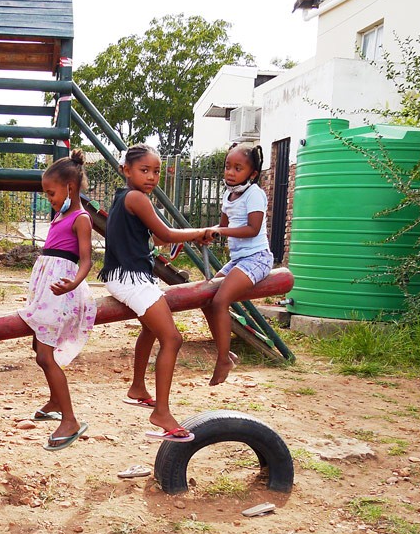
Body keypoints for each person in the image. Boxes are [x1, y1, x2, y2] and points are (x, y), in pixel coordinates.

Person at [99, 143, 217, 442]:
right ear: (126, 170)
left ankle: (138, 388)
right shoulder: (136, 197)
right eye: (144, 170)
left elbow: (154, 238)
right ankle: (161, 412)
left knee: (151, 330)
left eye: (156, 172)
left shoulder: (124, 197)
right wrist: (199, 232)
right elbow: (165, 234)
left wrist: (187, 237)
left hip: (127, 274)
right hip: (130, 277)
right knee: (172, 338)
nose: (151, 177)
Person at [18, 150, 97, 450]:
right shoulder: (60, 215)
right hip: (47, 288)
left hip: (62, 290)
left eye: (51, 192)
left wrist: (73, 284)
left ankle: (70, 419)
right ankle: (54, 400)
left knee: (45, 356)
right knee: (40, 351)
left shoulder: (82, 218)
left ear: (70, 188)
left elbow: (87, 261)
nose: (48, 198)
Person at [204, 143, 274, 385]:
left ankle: (223, 359)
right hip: (238, 260)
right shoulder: (228, 194)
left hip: (257, 258)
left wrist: (220, 229)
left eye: (238, 168)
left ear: (252, 174)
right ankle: (226, 352)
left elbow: (252, 229)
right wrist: (209, 233)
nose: (230, 172)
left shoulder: (255, 194)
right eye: (227, 167)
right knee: (205, 298)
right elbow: (223, 226)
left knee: (221, 300)